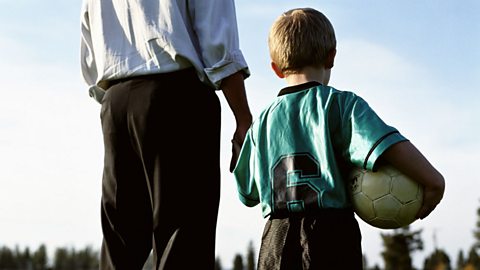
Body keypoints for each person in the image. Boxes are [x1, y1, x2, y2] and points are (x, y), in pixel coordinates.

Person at [232, 7, 445, 270]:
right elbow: (388, 145)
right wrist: (434, 181)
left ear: (276, 68)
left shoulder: (261, 122)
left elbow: (247, 193)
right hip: (329, 235)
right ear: (331, 57)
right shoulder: (342, 106)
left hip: (276, 238)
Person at [80, 0, 252, 269]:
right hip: (178, 99)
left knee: (120, 246)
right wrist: (243, 117)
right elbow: (218, 40)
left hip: (116, 103)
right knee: (182, 244)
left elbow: (90, 48)